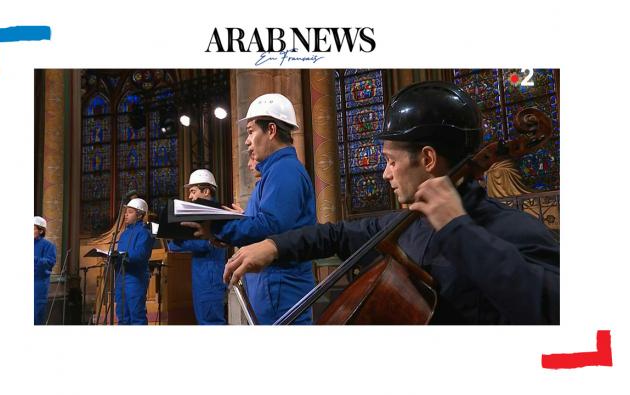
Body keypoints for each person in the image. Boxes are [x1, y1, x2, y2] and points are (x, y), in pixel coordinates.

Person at [223, 81, 560, 325]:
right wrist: (273, 246)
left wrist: (459, 229)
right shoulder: (407, 225)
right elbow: (335, 235)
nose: (385, 174)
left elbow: (554, 310)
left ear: (427, 158)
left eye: (391, 160)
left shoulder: (513, 230)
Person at [184, 93, 317, 325]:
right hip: (271, 286)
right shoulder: (273, 173)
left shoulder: (284, 170)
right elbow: (265, 223)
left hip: (280, 287)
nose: (247, 141)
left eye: (251, 131)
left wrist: (217, 224)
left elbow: (271, 226)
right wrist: (232, 225)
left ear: (272, 130)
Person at [168, 169, 227, 325]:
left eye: (193, 191)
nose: (190, 197)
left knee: (211, 323)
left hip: (210, 277)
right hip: (202, 276)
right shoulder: (203, 214)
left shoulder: (214, 214)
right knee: (204, 321)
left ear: (206, 191)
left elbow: (204, 243)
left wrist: (176, 242)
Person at [115, 198, 155, 325]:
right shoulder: (124, 234)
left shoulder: (144, 233)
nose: (126, 215)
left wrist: (123, 256)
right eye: (126, 212)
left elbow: (141, 255)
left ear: (140, 215)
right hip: (121, 277)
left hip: (135, 278)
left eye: (130, 212)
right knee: (122, 316)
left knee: (136, 315)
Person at [34, 216, 56, 325]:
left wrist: (35, 259)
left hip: (38, 285)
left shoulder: (49, 246)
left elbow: (50, 263)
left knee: (36, 316)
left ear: (41, 230)